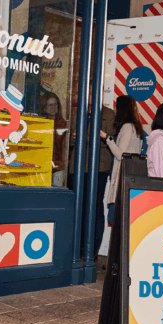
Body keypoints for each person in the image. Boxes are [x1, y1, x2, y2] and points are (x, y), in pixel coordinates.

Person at [68, 85, 116, 260]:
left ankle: (93, 250)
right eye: (88, 92)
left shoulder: (109, 115)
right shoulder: (76, 112)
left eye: (93, 91)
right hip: (77, 167)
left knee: (95, 208)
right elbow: (71, 142)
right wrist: (72, 139)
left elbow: (107, 141)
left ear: (101, 94)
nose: (90, 95)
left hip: (98, 168)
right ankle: (77, 247)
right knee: (78, 207)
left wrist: (82, 135)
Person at [104, 95, 143, 225]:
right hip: (129, 178)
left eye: (116, 107)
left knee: (114, 218)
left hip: (122, 179)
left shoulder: (127, 127)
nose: (114, 110)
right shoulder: (136, 127)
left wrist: (107, 139)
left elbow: (121, 154)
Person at [40, 92, 67, 187]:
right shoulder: (41, 123)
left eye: (55, 104)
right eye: (50, 104)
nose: (53, 107)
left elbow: (65, 146)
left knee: (56, 192)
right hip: (43, 165)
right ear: (44, 107)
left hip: (58, 165)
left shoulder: (63, 123)